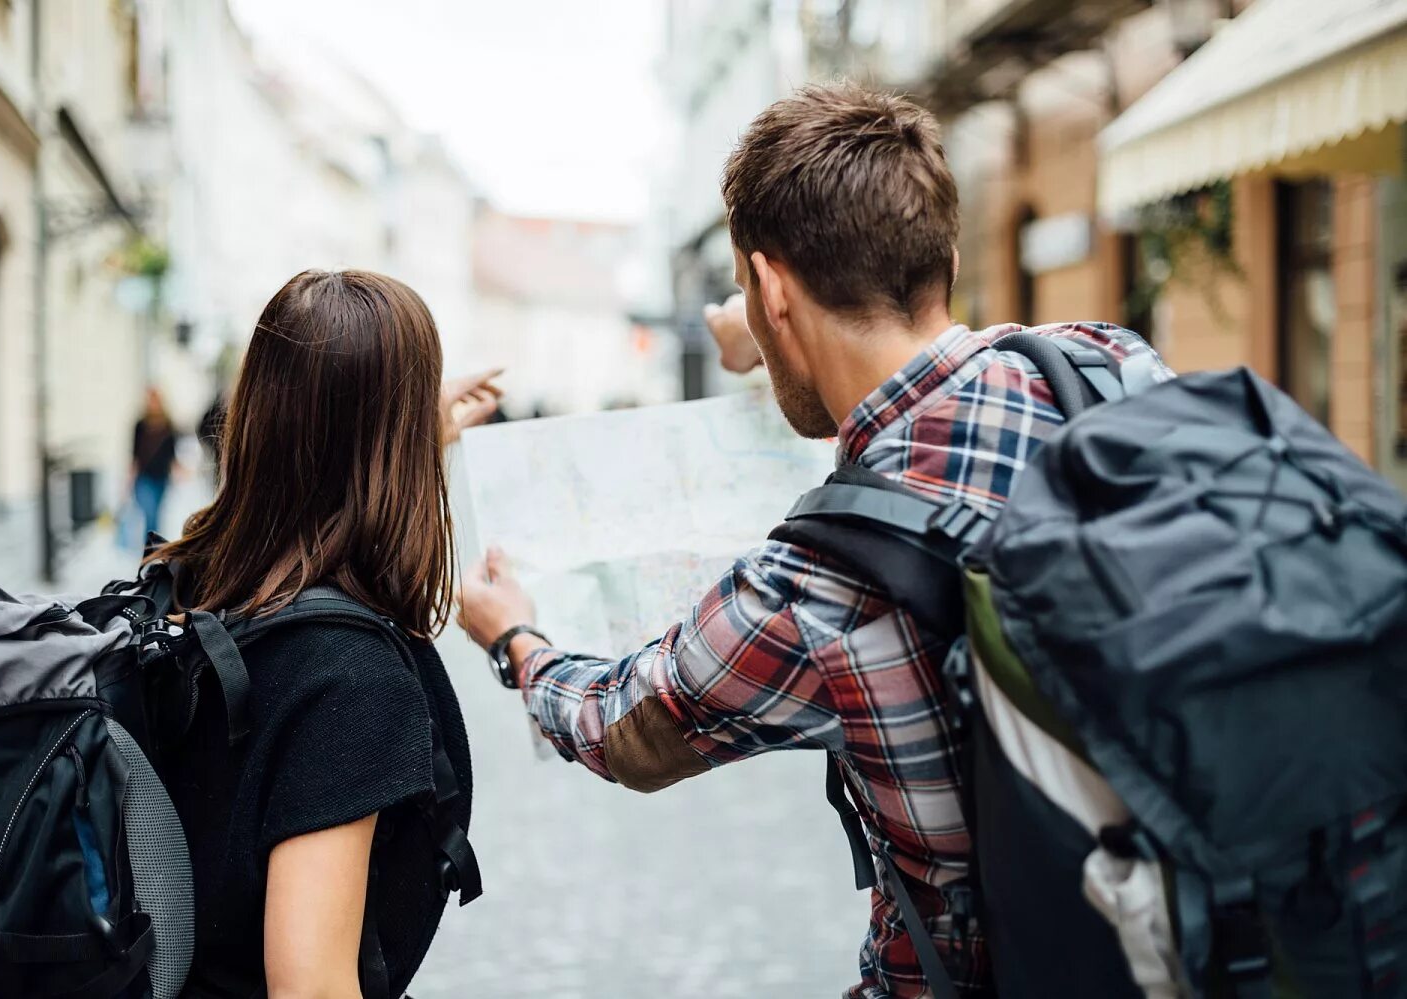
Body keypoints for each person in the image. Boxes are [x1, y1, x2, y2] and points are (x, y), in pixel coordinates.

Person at [456, 83, 1163, 998]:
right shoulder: (1099, 361)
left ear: (774, 291)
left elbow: (617, 726)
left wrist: (516, 638)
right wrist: (772, 329)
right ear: (944, 252)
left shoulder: (817, 584)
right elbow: (935, 390)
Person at [149, 270, 500, 998]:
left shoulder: (190, 580)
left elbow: (320, 474)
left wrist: (404, 426)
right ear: (392, 451)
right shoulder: (349, 677)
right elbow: (309, 984)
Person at [130, 386, 182, 539]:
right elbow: (134, 454)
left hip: (162, 477)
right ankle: (152, 548)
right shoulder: (140, 425)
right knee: (150, 513)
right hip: (144, 477)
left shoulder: (168, 425)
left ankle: (153, 548)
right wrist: (129, 479)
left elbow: (172, 453)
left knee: (156, 515)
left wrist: (178, 470)